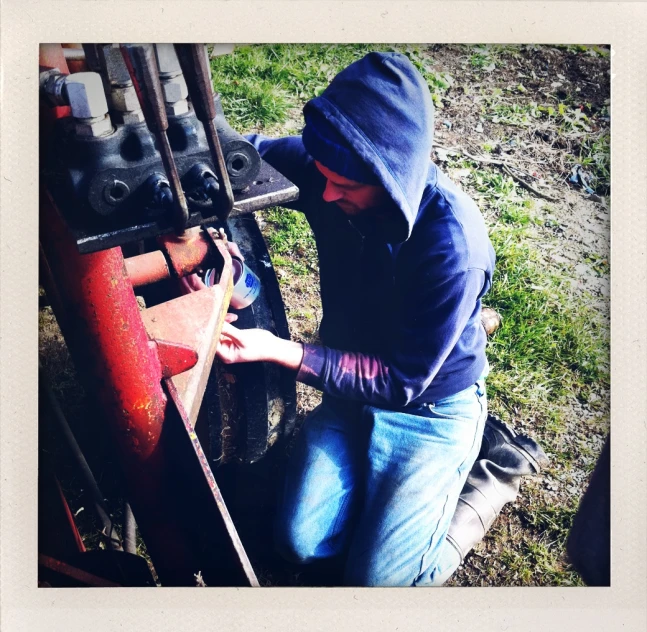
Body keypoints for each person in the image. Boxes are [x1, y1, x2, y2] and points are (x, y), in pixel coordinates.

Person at [216, 51, 546, 586]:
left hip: (428, 407)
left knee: (382, 585)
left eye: (344, 186)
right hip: (351, 393)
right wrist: (215, 234)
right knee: (300, 545)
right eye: (322, 177)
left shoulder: (453, 249)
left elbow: (399, 382)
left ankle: (494, 472)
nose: (324, 194)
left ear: (391, 178)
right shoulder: (335, 167)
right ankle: (463, 329)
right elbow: (238, 158)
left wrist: (283, 350)